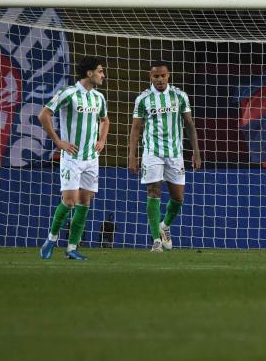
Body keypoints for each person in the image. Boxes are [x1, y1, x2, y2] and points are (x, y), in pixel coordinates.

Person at [39, 56, 110, 260]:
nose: (103, 75)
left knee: (85, 202)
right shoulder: (68, 93)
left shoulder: (99, 97)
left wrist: (102, 140)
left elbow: (105, 120)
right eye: (100, 71)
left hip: (91, 158)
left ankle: (71, 248)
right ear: (89, 73)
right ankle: (51, 240)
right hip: (71, 157)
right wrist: (58, 142)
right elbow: (44, 115)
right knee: (70, 201)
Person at [128, 62, 202, 252]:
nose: (160, 79)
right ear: (150, 77)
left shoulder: (179, 96)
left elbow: (190, 125)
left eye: (163, 76)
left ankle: (165, 226)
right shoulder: (143, 99)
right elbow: (135, 129)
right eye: (156, 76)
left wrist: (196, 152)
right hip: (152, 152)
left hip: (175, 154)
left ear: (168, 76)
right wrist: (132, 156)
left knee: (178, 198)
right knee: (153, 191)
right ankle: (156, 240)